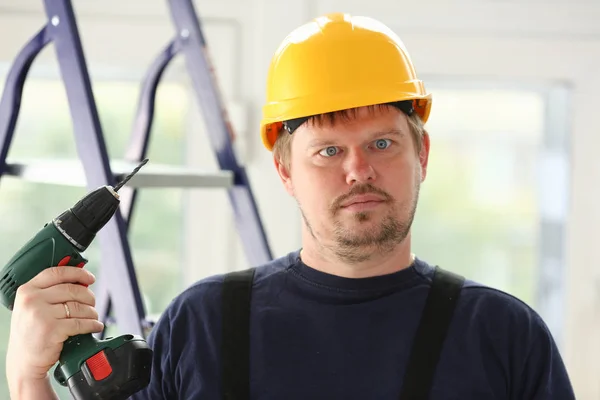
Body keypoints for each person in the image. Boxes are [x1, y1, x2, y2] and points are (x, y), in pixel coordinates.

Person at [6, 13, 575, 400]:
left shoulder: (504, 336)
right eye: (328, 150)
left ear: (421, 152)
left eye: (382, 143)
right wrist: (29, 375)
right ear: (285, 170)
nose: (358, 170)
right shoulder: (201, 324)